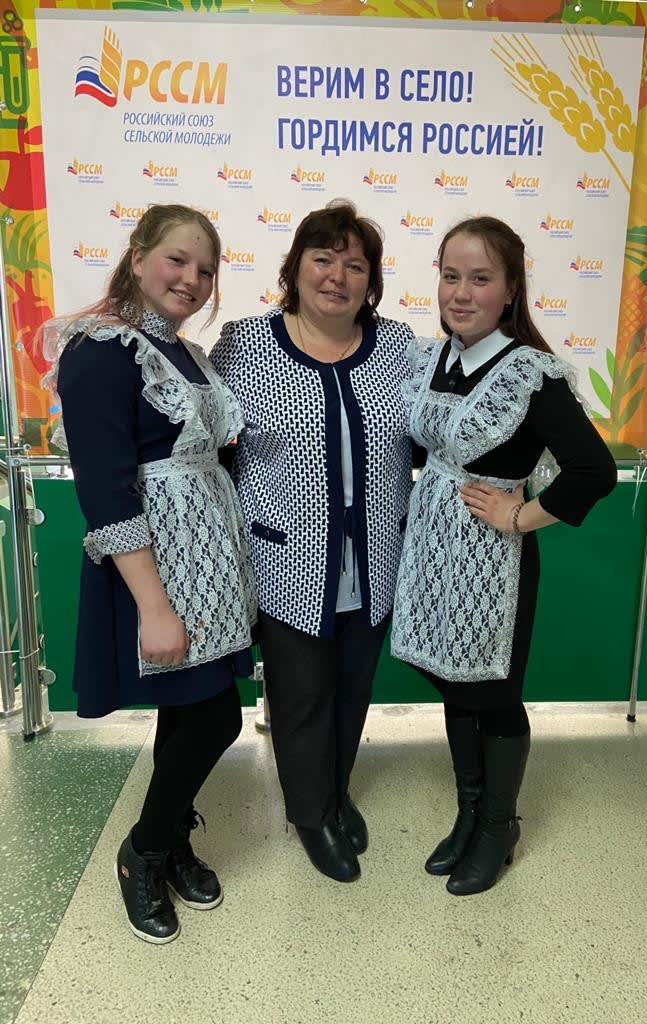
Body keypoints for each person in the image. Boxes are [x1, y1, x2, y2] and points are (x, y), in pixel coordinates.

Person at [43, 205, 257, 943]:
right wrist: (154, 608)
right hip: (155, 572)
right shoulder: (100, 350)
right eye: (176, 260)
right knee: (216, 718)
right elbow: (105, 490)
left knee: (190, 717)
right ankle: (141, 852)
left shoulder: (186, 353)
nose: (191, 279)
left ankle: (167, 841)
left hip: (208, 566)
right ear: (137, 258)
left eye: (205, 269)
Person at [391, 216, 617, 896]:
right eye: (450, 276)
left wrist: (521, 515)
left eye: (480, 279)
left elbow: (593, 470)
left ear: (511, 289)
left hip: (493, 558)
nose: (461, 293)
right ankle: (468, 811)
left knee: (492, 692)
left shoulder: (529, 372)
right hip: (432, 548)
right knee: (453, 680)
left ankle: (498, 825)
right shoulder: (432, 360)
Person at [210, 201, 414, 883]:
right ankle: (310, 815)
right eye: (323, 259)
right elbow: (209, 443)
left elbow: (433, 432)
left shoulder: (399, 346)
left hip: (375, 557)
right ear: (294, 268)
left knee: (353, 689)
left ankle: (335, 790)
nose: (337, 276)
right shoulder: (245, 344)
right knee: (301, 697)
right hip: (287, 560)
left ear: (371, 281)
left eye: (355, 265)